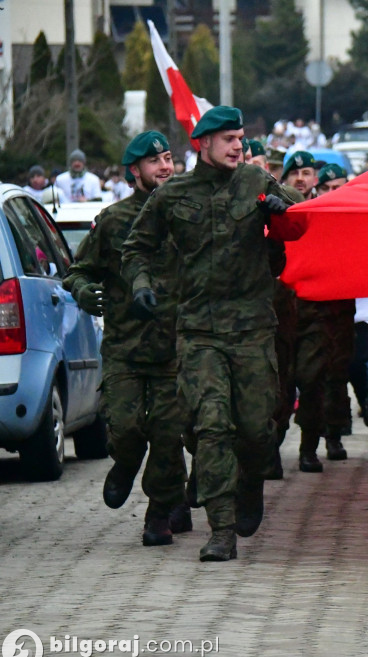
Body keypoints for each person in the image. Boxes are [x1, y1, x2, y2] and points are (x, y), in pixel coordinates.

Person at [121, 106, 304, 562]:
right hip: (200, 330)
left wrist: (281, 214)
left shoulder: (257, 183)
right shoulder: (173, 195)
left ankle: (251, 478)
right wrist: (141, 285)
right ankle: (221, 529)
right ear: (203, 144)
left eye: (240, 137)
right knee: (211, 426)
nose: (238, 146)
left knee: (257, 427)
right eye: (228, 139)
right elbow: (136, 248)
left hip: (254, 328)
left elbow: (301, 224)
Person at [63, 130, 189, 548]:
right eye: (155, 162)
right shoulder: (114, 221)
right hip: (125, 351)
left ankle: (158, 516)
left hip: (175, 350)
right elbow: (78, 271)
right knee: (127, 430)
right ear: (135, 171)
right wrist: (82, 291)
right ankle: (124, 465)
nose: (165, 167)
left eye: (169, 158)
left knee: (170, 438)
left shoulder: (186, 215)